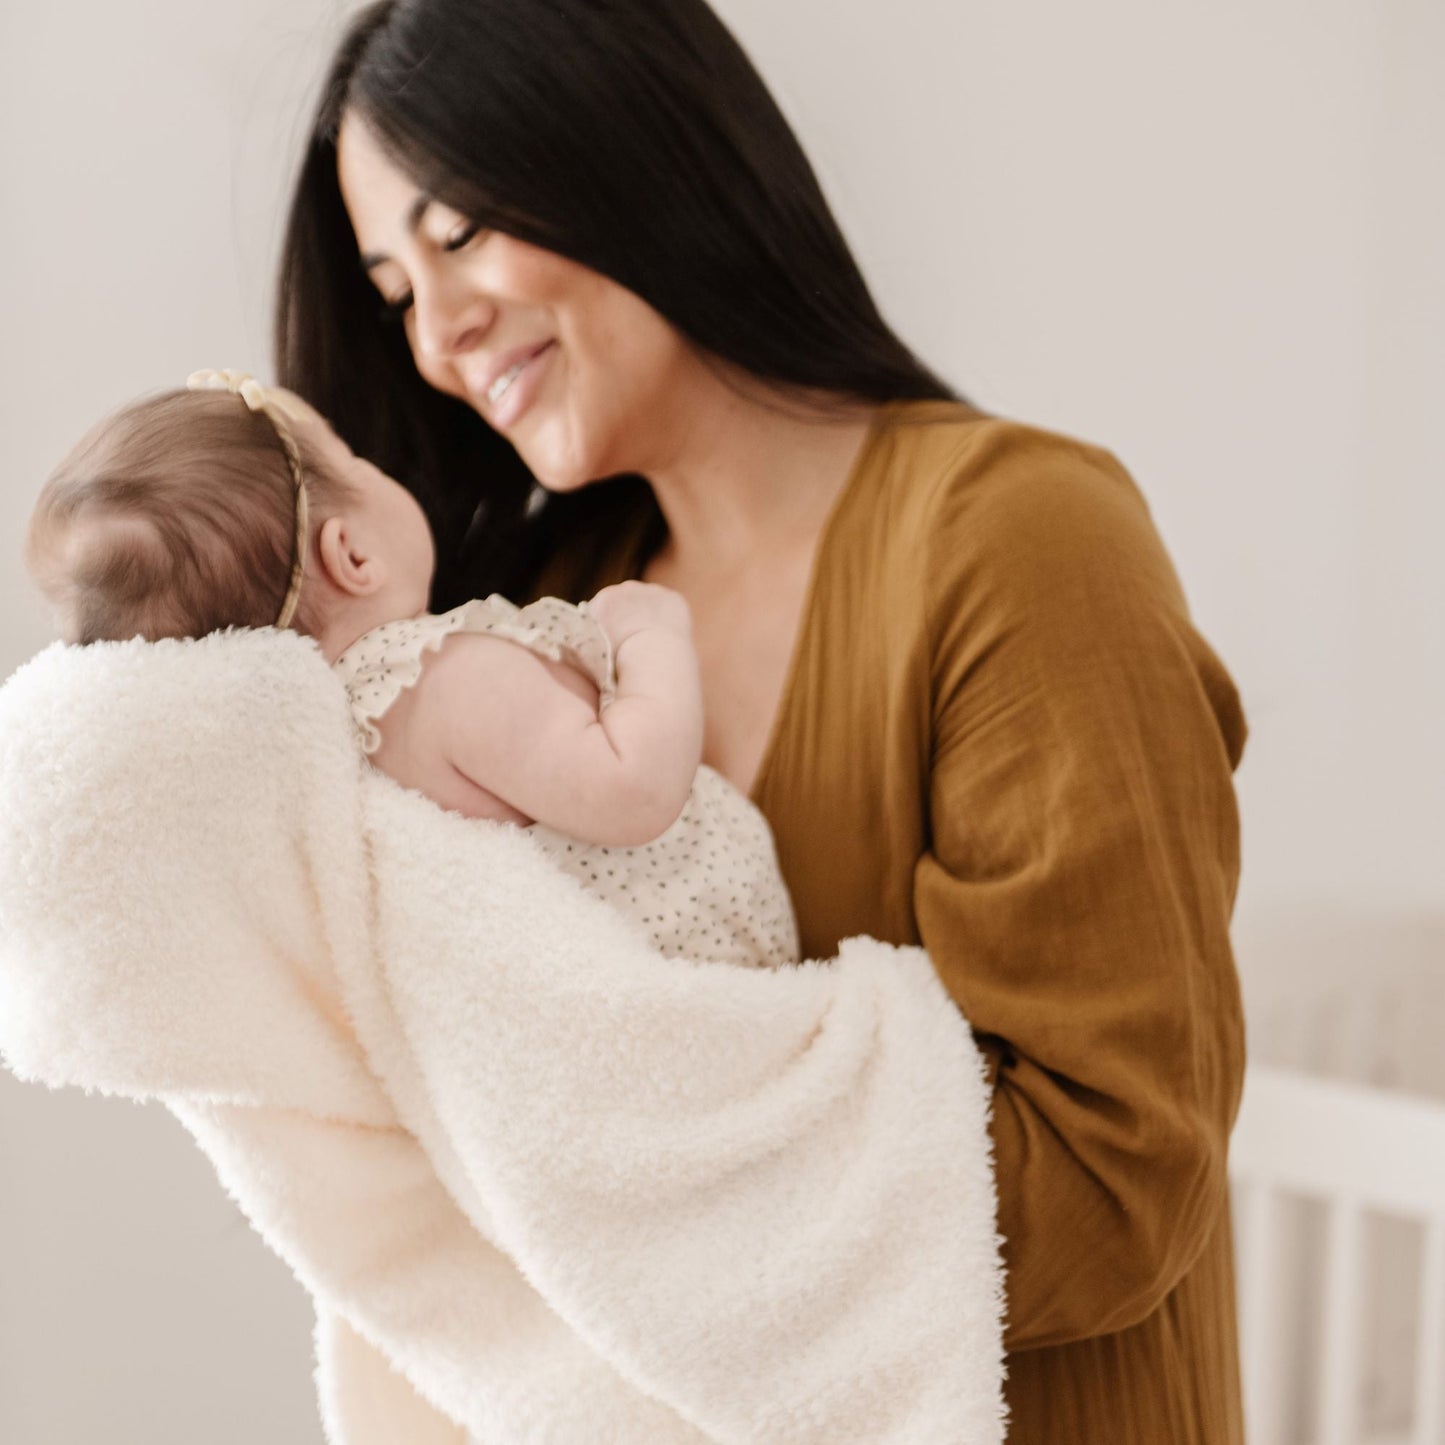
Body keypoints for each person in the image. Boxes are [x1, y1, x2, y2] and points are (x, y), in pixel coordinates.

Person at [274, 0, 1250, 1439]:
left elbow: (1110, 1184)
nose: (438, 334)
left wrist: (617, 1221)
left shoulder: (1024, 543)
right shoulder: (534, 623)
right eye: (395, 288)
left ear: (638, 152)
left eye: (461, 229)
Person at [25, 371, 797, 971]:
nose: (377, 464)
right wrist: (650, 638)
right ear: (351, 555)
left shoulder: (334, 752)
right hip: (700, 956)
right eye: (355, 461)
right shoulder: (447, 679)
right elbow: (632, 788)